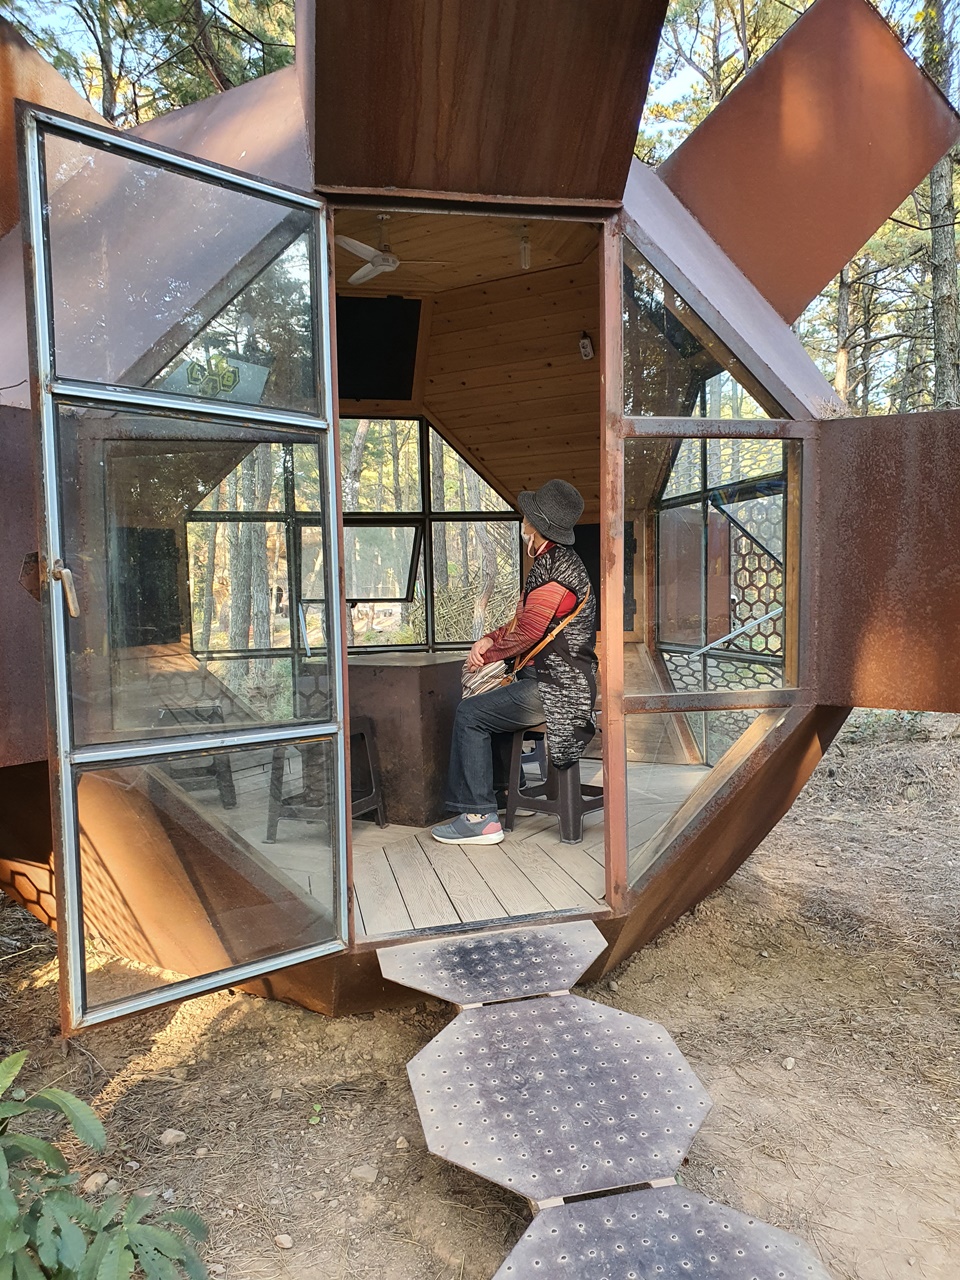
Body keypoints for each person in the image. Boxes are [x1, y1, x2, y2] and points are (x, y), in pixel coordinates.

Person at [431, 478, 598, 846]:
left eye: (527, 517)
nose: (523, 522)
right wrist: (490, 638)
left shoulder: (556, 570)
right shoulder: (554, 562)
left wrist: (488, 655)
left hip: (556, 690)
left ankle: (479, 818)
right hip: (557, 684)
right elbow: (523, 622)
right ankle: (508, 792)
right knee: (488, 705)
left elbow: (529, 633)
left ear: (536, 526)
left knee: (470, 714)